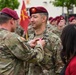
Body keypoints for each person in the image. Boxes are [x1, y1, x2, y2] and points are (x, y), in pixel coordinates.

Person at [0, 7, 45, 75]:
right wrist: (40, 45)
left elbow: (7, 50)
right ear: (12, 21)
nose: (17, 25)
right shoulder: (11, 37)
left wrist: (26, 44)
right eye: (17, 22)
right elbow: (34, 58)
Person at [28, 6, 63, 75]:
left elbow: (60, 66)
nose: (31, 20)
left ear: (43, 19)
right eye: (31, 17)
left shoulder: (53, 39)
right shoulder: (30, 39)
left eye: (35, 17)